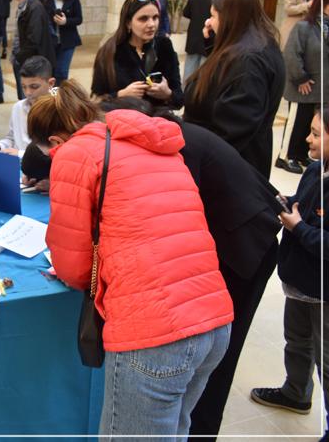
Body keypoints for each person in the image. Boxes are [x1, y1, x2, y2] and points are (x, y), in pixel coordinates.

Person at [28, 85, 233, 438]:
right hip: (212, 320)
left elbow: (74, 266)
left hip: (156, 332)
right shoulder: (151, 141)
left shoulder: (75, 152)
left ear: (54, 140)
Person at [98, 97, 281, 441]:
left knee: (216, 363)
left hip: (246, 245)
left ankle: (202, 432)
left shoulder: (170, 146)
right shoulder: (167, 135)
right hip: (236, 230)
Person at [250, 107, 328, 442]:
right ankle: (296, 392)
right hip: (299, 282)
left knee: (326, 360)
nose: (307, 139)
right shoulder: (315, 169)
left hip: (323, 291)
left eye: (316, 134)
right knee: (297, 340)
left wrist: (298, 228)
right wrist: (286, 201)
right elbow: (304, 204)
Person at [184, 0, 285, 179]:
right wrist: (213, 42)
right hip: (238, 160)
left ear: (230, 19)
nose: (208, 22)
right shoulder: (257, 44)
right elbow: (225, 75)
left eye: (213, 16)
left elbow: (233, 127)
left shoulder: (249, 62)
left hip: (231, 168)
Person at [91, 0, 183, 108]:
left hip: (158, 117)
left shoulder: (164, 46)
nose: (151, 24)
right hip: (122, 117)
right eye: (143, 19)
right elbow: (96, 101)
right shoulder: (109, 51)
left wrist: (167, 94)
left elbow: (179, 100)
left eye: (155, 17)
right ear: (128, 23)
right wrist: (120, 95)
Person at [275, 0, 328, 174]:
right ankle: (285, 156)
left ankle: (301, 154)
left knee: (310, 124)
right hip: (303, 86)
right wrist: (301, 78)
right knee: (296, 123)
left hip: (322, 87)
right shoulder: (304, 27)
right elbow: (291, 54)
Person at [0, 55, 54, 155]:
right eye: (23, 87)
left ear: (51, 83)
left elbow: (57, 151)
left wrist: (20, 154)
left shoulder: (58, 112)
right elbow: (12, 138)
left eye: (34, 86)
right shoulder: (18, 107)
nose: (28, 93)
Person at [8, 0, 55, 100]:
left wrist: (19, 57)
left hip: (32, 62)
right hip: (26, 59)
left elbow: (33, 39)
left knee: (31, 98)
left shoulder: (35, 8)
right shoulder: (25, 6)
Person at [39, 0, 83, 83]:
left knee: (62, 72)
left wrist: (66, 21)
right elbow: (40, 19)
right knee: (50, 72)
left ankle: (59, 94)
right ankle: (52, 94)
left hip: (67, 41)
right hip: (50, 41)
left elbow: (79, 19)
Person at [182, 0, 222, 82]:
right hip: (210, 38)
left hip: (193, 38)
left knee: (189, 72)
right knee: (204, 75)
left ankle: (186, 92)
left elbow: (186, 13)